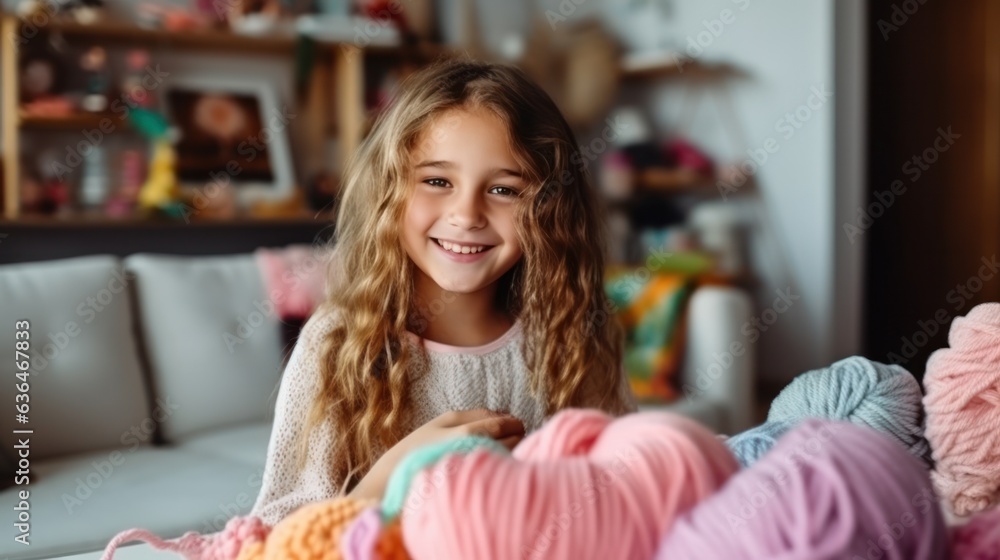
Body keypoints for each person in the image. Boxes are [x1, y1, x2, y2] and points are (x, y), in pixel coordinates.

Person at [250, 59, 637, 526]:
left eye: (504, 190)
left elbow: (624, 491)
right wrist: (393, 474)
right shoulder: (337, 344)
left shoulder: (573, 337)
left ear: (550, 211)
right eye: (437, 181)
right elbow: (278, 536)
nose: (466, 214)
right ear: (389, 190)